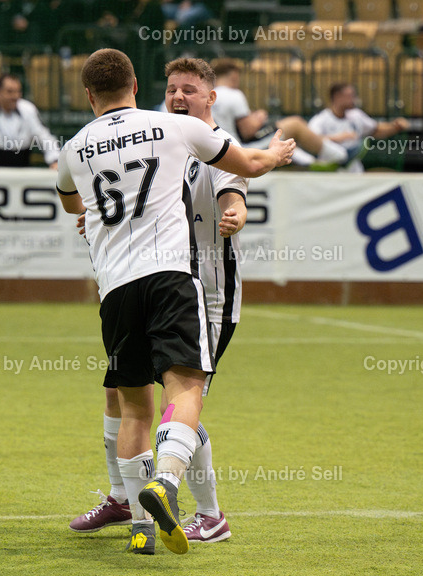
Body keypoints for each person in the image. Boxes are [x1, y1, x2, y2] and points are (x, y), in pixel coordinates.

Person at [56, 48, 293, 555]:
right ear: (141, 89)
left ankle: (204, 513)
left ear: (212, 97)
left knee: (171, 398)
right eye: (172, 90)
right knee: (137, 399)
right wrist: (273, 154)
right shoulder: (167, 133)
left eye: (189, 89)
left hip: (203, 291)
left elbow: (235, 184)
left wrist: (236, 211)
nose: (179, 96)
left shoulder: (194, 138)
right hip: (168, 282)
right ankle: (135, 501)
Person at [210, 59, 347, 167]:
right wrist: (258, 118)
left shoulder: (209, 95)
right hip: (240, 150)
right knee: (295, 124)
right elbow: (248, 131)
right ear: (233, 76)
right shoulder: (234, 94)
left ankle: (310, 163)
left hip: (220, 149)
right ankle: (341, 156)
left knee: (281, 135)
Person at [308, 83, 410, 173]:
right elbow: (311, 140)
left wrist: (396, 126)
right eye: (349, 96)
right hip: (329, 173)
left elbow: (376, 130)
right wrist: (339, 137)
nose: (354, 99)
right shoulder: (321, 119)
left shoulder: (356, 115)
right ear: (337, 97)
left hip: (354, 173)